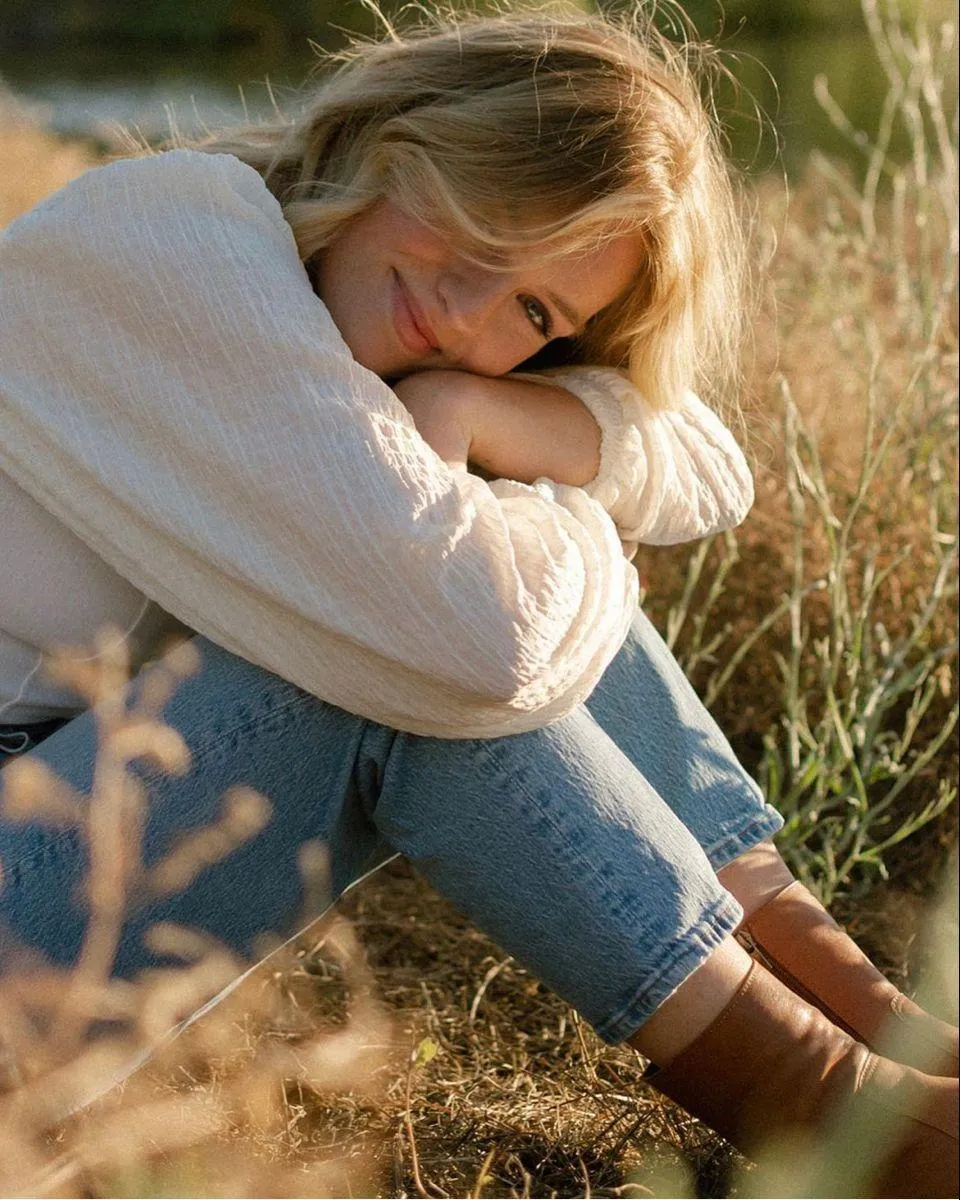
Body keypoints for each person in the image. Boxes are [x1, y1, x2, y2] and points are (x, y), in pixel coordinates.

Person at [0, 8, 956, 1193]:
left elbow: (712, 468)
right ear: (410, 135)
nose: (466, 308)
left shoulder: (338, 320)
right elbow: (486, 648)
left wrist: (486, 414)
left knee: (449, 576)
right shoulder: (169, 238)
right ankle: (839, 1109)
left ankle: (858, 1011)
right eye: (491, 221)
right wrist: (562, 509)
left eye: (539, 315)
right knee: (403, 660)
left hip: (56, 897)